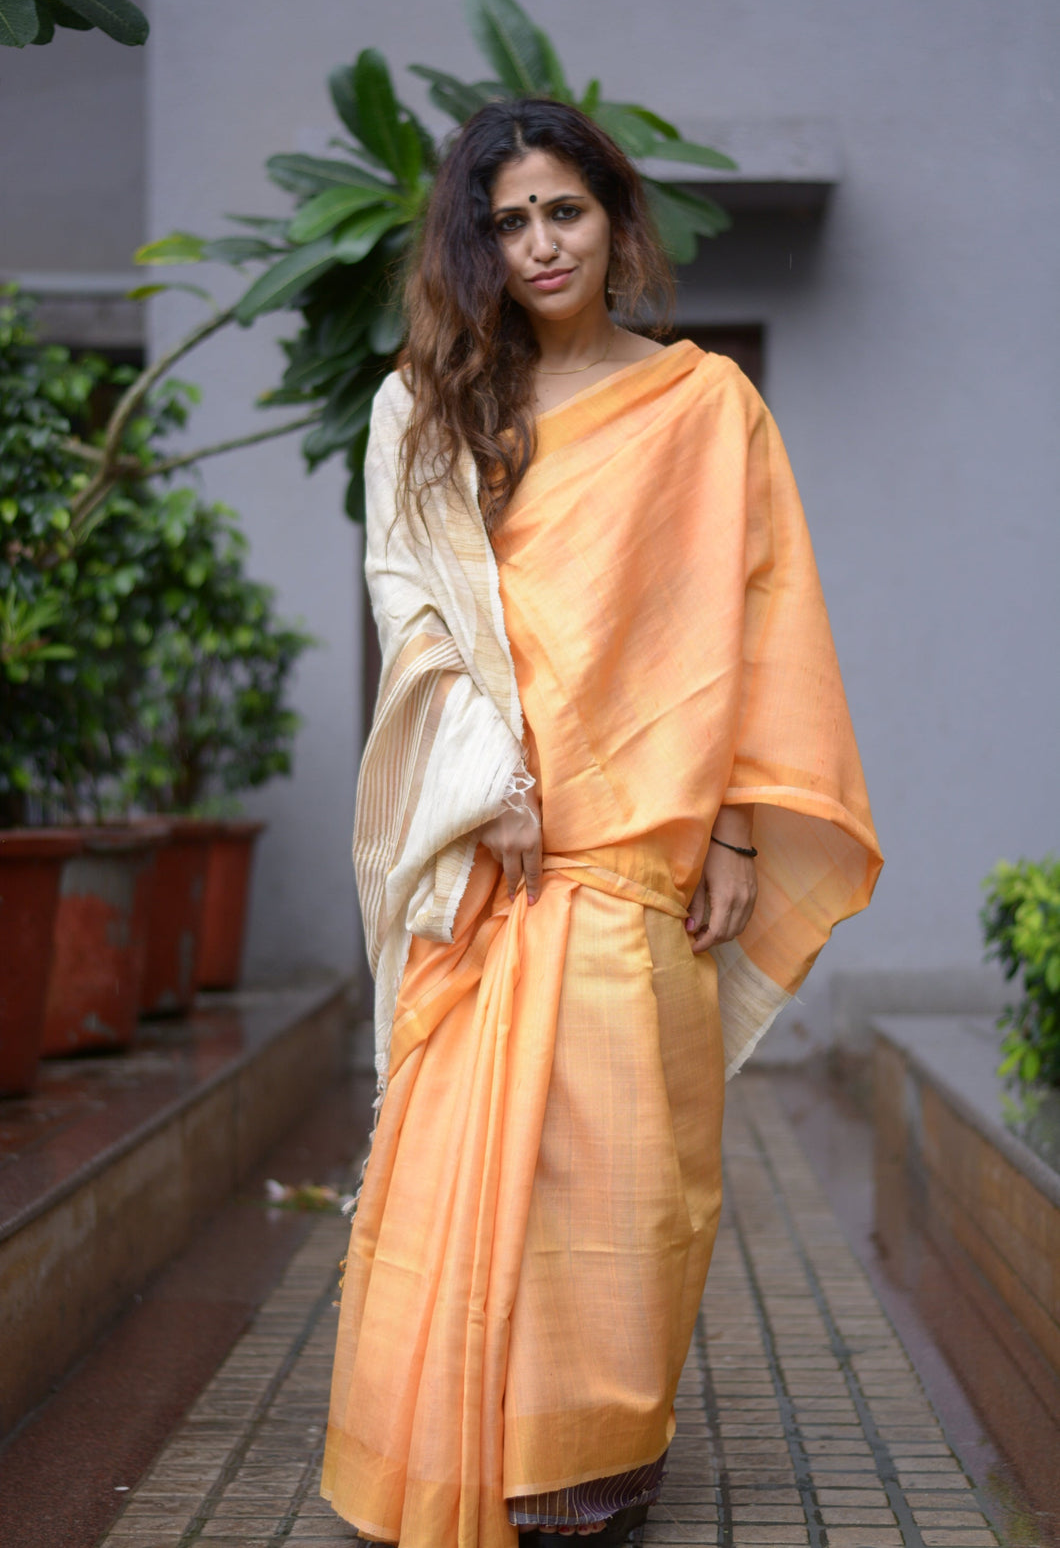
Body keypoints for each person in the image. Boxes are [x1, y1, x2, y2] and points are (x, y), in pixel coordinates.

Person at [321, 98, 882, 1548]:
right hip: (497, 858)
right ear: (478, 244)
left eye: (561, 210)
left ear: (616, 217)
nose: (538, 243)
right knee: (453, 1171)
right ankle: (453, 1452)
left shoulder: (705, 409)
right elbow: (415, 607)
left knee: (631, 1178)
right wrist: (485, 777)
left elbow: (762, 622)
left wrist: (747, 836)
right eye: (506, 222)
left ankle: (588, 1461)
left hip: (637, 868)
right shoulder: (439, 406)